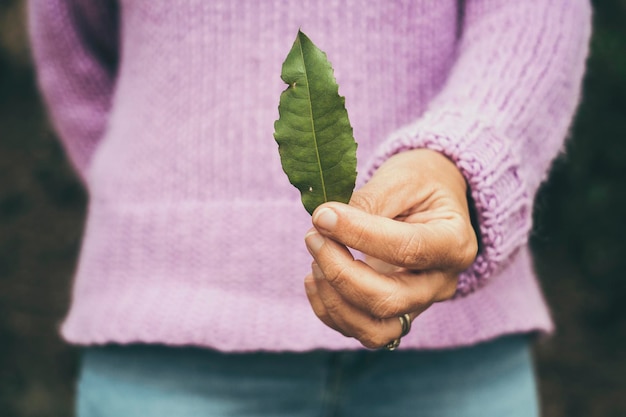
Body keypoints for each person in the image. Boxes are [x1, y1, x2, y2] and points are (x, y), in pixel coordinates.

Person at [28, 0, 591, 416]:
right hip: (160, 347)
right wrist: (156, 216)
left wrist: (463, 163)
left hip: (456, 354)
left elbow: (535, 16)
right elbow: (73, 50)